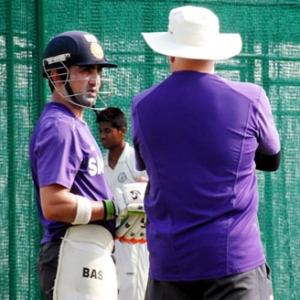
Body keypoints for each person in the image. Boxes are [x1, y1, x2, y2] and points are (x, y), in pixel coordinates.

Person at [132, 6, 280, 300]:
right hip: (234, 263)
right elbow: (272, 157)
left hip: (169, 266)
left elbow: (146, 164)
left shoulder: (143, 105)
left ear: (170, 52)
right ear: (215, 51)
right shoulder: (250, 97)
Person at [29, 31, 120, 299]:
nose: (95, 80)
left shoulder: (72, 122)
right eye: (85, 70)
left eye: (98, 71)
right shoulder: (60, 126)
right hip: (72, 251)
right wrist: (112, 208)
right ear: (56, 75)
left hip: (85, 252)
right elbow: (54, 204)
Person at [96, 107, 149, 300]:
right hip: (110, 239)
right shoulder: (100, 163)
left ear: (122, 131)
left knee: (134, 289)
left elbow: (150, 190)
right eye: (100, 131)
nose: (103, 136)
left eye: (108, 130)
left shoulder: (135, 159)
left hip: (136, 240)